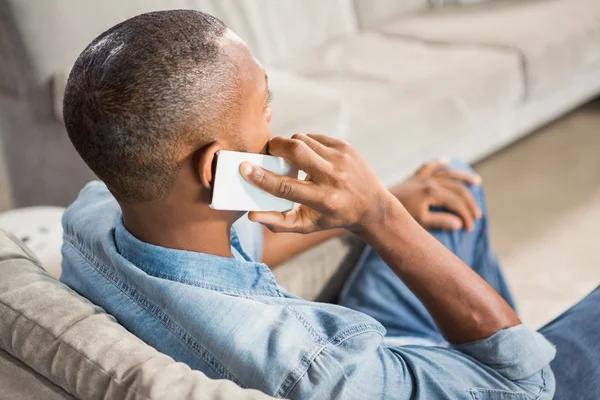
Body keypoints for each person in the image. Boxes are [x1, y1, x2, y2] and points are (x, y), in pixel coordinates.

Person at [58, 9, 595, 399]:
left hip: (386, 360)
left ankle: (471, 344)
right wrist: (380, 216)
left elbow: (244, 248)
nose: (274, 122)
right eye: (264, 106)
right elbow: (526, 380)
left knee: (450, 186)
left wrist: (382, 203)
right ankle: (473, 351)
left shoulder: (95, 214)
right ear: (215, 166)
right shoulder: (319, 367)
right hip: (415, 373)